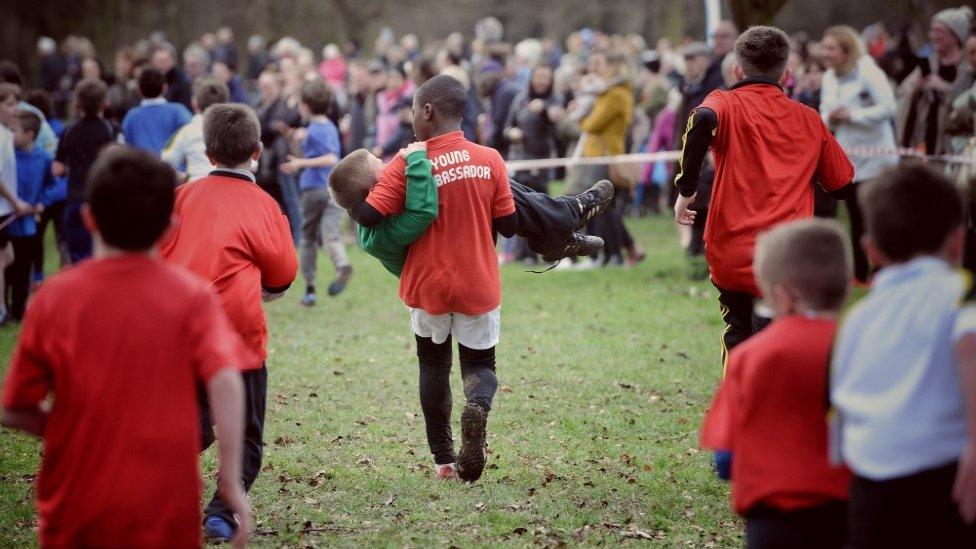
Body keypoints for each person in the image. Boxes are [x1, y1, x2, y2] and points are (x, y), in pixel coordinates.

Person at [1, 146, 250, 548]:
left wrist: (67, 428)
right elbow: (226, 379)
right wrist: (230, 479)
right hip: (166, 503)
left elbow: (13, 407)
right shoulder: (192, 297)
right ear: (170, 228)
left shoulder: (53, 298)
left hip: (75, 503)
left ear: (89, 219)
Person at [348, 74, 515, 483]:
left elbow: (368, 214)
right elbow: (508, 226)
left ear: (427, 112)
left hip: (427, 284)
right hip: (478, 281)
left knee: (433, 366)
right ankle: (476, 405)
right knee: (479, 363)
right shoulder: (490, 158)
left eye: (411, 113)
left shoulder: (408, 161)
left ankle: (443, 459)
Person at [673, 25, 854, 370]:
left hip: (732, 250)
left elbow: (702, 119)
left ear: (737, 70)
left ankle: (741, 409)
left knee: (739, 333)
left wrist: (686, 191)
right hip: (786, 255)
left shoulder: (724, 102)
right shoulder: (808, 119)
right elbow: (842, 184)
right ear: (786, 75)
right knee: (779, 338)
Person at [160, 103, 297, 542]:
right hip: (238, 336)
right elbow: (283, 274)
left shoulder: (181, 197)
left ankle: (187, 435)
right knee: (246, 437)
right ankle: (221, 512)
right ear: (256, 151)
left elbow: (157, 255)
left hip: (181, 328)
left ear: (209, 152)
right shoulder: (263, 205)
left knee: (189, 413)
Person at [830, 165, 976, 548]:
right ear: (959, 243)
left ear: (870, 250)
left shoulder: (857, 319)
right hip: (947, 482)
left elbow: (838, 414)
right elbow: (969, 341)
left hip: (870, 490)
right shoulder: (961, 291)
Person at [701, 218, 852, 549]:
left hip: (772, 518)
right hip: (848, 509)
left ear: (784, 298)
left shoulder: (752, 357)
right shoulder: (860, 347)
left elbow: (725, 459)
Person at [820, 26, 898, 283]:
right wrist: (830, 117)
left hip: (877, 158)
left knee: (875, 216)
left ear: (846, 51)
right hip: (850, 158)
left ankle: (883, 271)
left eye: (831, 48)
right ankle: (859, 273)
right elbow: (823, 112)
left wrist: (853, 115)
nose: (825, 52)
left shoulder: (868, 70)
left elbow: (888, 107)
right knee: (854, 216)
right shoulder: (830, 77)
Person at [280, 79, 351, 306]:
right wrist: (295, 140)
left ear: (307, 107)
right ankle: (342, 264)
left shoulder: (312, 131)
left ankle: (309, 288)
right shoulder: (329, 127)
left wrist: (301, 163)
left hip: (313, 189)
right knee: (331, 234)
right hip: (333, 191)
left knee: (308, 238)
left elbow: (331, 158)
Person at [580, 52, 642, 266]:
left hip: (604, 155)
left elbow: (592, 125)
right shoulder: (614, 93)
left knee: (603, 208)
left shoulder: (614, 94)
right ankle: (615, 253)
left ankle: (613, 254)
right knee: (606, 209)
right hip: (602, 153)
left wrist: (583, 118)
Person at [52, 78, 115, 264]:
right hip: (101, 197)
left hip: (76, 198)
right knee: (102, 252)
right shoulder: (108, 129)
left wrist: (69, 167)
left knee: (78, 255)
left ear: (77, 103)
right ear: (104, 102)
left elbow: (57, 169)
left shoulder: (69, 130)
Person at [895, 6, 973, 155]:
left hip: (955, 144)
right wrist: (915, 88)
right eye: (932, 30)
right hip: (925, 140)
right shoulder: (928, 64)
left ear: (956, 35)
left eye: (940, 31)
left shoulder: (967, 67)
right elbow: (901, 94)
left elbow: (969, 100)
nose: (934, 36)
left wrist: (945, 88)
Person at [7, 111, 52, 320]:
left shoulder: (43, 158)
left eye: (14, 130)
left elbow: (52, 185)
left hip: (30, 224)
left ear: (29, 134)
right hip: (9, 220)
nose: (10, 134)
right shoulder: (8, 155)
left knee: (24, 268)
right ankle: (4, 308)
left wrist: (42, 202)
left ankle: (17, 311)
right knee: (7, 266)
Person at [255, 70, 302, 243]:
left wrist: (269, 127)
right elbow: (265, 129)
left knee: (291, 202)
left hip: (281, 160)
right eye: (262, 86)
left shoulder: (282, 105)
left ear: (277, 86)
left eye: (268, 86)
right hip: (266, 164)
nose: (264, 89)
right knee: (272, 204)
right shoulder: (260, 104)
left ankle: (297, 240)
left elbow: (279, 126)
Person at [0, 85, 31, 325]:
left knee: (7, 257)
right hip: (2, 209)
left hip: (5, 209)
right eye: (9, 104)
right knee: (2, 260)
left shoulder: (5, 135)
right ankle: (1, 310)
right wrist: (16, 202)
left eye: (16, 104)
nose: (15, 109)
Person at [162, 77, 230, 182]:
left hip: (196, 186)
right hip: (228, 187)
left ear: (194, 102)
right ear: (226, 103)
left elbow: (166, 160)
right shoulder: (234, 129)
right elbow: (252, 164)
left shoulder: (186, 131)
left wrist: (182, 176)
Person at [122, 68, 192, 154]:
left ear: (139, 89)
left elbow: (126, 145)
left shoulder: (131, 116)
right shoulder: (178, 111)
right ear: (165, 87)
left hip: (142, 165)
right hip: (172, 166)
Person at [151, 44, 193, 109]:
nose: (160, 64)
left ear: (172, 60)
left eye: (163, 61)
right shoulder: (151, 80)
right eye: (157, 61)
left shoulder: (182, 80)